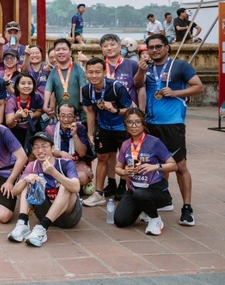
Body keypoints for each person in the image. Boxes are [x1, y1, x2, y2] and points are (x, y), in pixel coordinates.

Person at [134, 34, 204, 226]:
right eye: (151, 47)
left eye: (158, 46)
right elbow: (137, 84)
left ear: (167, 47)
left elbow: (198, 87)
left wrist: (175, 92)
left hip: (172, 124)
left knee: (180, 166)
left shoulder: (180, 66)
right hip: (151, 124)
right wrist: (140, 70)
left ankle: (187, 209)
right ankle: (163, 200)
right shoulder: (147, 68)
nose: (154, 50)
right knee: (153, 164)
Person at [7, 132, 82, 247]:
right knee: (28, 181)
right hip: (44, 212)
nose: (40, 150)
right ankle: (23, 224)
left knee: (66, 186)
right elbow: (15, 191)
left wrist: (54, 173)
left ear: (53, 148)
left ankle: (42, 228)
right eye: (36, 147)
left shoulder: (65, 163)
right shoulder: (32, 165)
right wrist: (26, 179)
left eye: (44, 146)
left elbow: (76, 187)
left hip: (68, 216)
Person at [114, 108, 179, 235]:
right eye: (130, 122)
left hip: (155, 189)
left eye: (137, 122)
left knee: (141, 195)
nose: (134, 126)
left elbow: (174, 166)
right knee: (121, 221)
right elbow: (117, 168)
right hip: (134, 189)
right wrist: (124, 171)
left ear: (143, 123)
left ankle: (155, 219)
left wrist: (155, 166)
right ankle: (143, 208)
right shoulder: (125, 145)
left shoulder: (154, 142)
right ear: (125, 125)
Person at [81, 57, 133, 207]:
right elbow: (91, 111)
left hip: (122, 128)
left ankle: (128, 191)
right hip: (104, 128)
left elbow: (130, 110)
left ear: (104, 72)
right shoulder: (86, 89)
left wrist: (115, 110)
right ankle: (99, 193)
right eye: (90, 72)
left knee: (126, 159)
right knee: (102, 158)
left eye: (97, 72)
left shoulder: (116, 87)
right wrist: (90, 132)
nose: (94, 75)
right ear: (86, 73)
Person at [44, 103, 93, 191]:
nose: (66, 119)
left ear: (75, 118)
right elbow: (48, 151)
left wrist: (75, 135)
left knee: (82, 177)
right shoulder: (51, 129)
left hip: (75, 163)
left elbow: (82, 153)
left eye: (70, 116)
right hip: (57, 163)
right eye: (63, 116)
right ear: (58, 116)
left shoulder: (80, 128)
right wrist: (60, 153)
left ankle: (70, 188)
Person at [42, 38, 86, 121]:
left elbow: (83, 86)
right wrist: (45, 105)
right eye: (58, 50)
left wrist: (82, 103)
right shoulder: (53, 72)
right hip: (61, 115)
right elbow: (48, 88)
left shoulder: (78, 69)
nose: (61, 52)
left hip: (78, 113)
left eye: (64, 49)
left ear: (70, 52)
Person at [4, 73, 44, 150]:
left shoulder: (37, 97)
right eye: (23, 83)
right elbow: (9, 123)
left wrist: (33, 115)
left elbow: (41, 111)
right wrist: (16, 117)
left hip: (33, 128)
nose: (26, 86)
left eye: (29, 83)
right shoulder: (12, 101)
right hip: (17, 130)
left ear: (33, 85)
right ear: (17, 86)